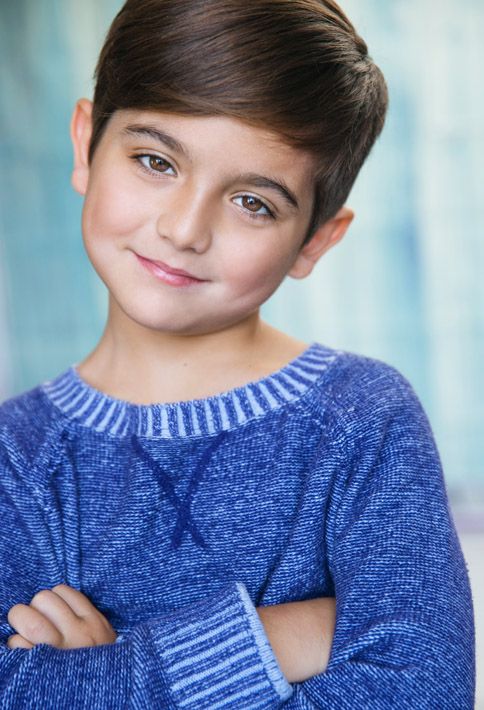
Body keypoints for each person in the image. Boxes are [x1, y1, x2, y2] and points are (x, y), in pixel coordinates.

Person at [0, 0, 475, 707]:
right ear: (84, 145)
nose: (185, 229)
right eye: (155, 160)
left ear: (315, 240)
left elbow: (420, 690)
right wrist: (277, 638)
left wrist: (99, 677)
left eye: (253, 202)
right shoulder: (14, 454)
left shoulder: (362, 418)